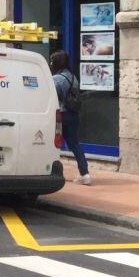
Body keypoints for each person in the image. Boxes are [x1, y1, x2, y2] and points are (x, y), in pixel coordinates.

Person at [50, 50, 90, 185]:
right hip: (73, 115)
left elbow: (51, 98)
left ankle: (51, 171)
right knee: (75, 145)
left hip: (60, 115)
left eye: (51, 62)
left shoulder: (56, 79)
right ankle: (85, 174)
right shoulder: (73, 77)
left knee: (52, 144)